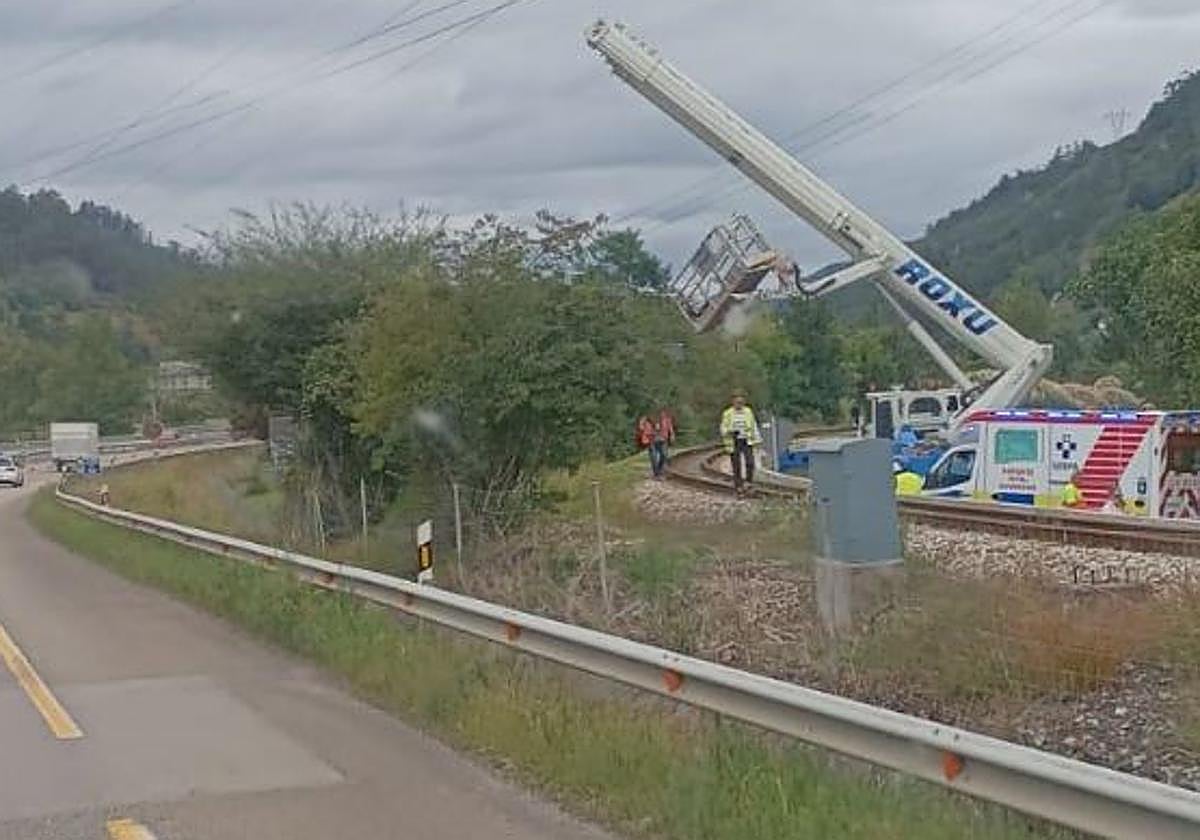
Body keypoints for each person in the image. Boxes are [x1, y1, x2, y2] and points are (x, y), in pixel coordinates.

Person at [720, 390, 762, 495]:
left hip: (747, 440)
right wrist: (730, 431)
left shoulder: (748, 412)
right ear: (733, 401)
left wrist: (758, 440)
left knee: (750, 462)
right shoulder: (727, 413)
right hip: (733, 441)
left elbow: (753, 425)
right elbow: (723, 428)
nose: (739, 404)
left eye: (741, 402)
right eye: (737, 401)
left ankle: (748, 482)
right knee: (736, 465)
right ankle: (738, 485)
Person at [650, 406, 676, 479]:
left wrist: (672, 435)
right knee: (655, 457)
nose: (662, 414)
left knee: (664, 455)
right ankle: (657, 474)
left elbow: (670, 429)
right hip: (654, 441)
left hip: (663, 440)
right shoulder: (654, 420)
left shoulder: (668, 420)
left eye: (664, 413)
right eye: (661, 413)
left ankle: (660, 470)